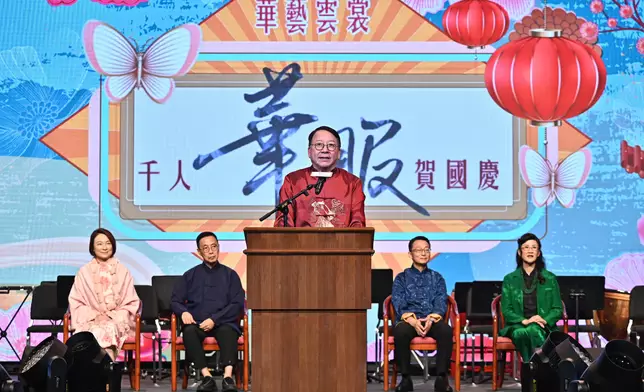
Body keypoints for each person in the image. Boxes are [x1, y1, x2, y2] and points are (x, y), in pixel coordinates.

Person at [171, 231, 244, 392]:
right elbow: (175, 301)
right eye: (206, 248)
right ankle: (207, 376)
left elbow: (237, 304)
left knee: (228, 331)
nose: (211, 251)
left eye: (214, 247)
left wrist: (215, 320)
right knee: (189, 331)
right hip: (197, 323)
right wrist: (183, 312)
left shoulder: (230, 275)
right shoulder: (190, 275)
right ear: (199, 252)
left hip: (223, 321)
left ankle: (227, 377)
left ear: (219, 248)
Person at [391, 236, 453, 392]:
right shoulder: (401, 278)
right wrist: (412, 321)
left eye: (427, 249)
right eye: (419, 250)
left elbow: (441, 301)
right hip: (410, 321)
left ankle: (441, 378)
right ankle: (405, 379)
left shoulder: (437, 278)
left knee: (446, 331)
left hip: (431, 319)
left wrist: (432, 318)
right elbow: (398, 302)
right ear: (410, 254)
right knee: (400, 331)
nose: (423, 253)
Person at [68, 228, 141, 360]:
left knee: (108, 329)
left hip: (116, 321)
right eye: (99, 244)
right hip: (90, 320)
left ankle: (104, 375)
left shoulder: (123, 270)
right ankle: (92, 376)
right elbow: (76, 302)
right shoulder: (84, 272)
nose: (105, 247)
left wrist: (112, 316)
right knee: (92, 333)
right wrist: (94, 316)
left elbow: (131, 302)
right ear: (93, 247)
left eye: (108, 243)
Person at [274, 125, 366, 227]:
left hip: (341, 242)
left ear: (339, 153)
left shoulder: (352, 183)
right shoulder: (293, 180)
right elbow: (284, 223)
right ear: (309, 152)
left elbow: (358, 224)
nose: (325, 150)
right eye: (319, 145)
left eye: (331, 145)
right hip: (302, 242)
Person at [500, 233, 563, 363]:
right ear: (519, 252)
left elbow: (557, 309)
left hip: (543, 325)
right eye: (526, 247)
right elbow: (507, 310)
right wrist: (525, 321)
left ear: (538, 253)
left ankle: (529, 369)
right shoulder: (510, 279)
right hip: (518, 325)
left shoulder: (550, 278)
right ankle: (538, 368)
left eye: (534, 247)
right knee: (521, 332)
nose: (530, 250)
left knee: (532, 330)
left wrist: (544, 320)